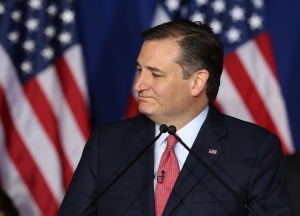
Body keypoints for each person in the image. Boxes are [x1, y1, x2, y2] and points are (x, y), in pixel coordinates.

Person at [58, 20, 293, 215]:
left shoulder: (255, 149)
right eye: (140, 70)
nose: (139, 85)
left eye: (155, 74)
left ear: (197, 82)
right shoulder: (106, 143)